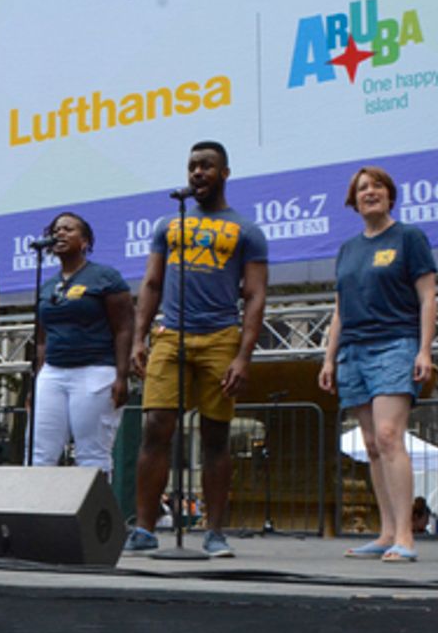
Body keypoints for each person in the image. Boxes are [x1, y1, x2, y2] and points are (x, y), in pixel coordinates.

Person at [125, 141, 268, 558]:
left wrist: (243, 355)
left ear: (224, 173)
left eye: (206, 166)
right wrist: (139, 337)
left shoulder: (246, 230)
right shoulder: (168, 226)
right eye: (192, 167)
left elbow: (256, 296)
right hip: (170, 335)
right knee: (155, 427)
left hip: (221, 336)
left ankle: (215, 532)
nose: (197, 173)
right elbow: (151, 284)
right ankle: (146, 528)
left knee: (216, 436)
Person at [318, 166, 437, 563]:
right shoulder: (348, 250)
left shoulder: (409, 238)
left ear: (390, 194)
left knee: (389, 435)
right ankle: (386, 532)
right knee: (370, 446)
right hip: (353, 350)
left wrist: (424, 350)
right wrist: (329, 358)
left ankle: (406, 535)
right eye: (362, 188)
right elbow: (339, 309)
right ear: (353, 201)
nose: (370, 192)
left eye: (378, 186)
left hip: (395, 345)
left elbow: (427, 297)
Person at [31, 211, 133, 476]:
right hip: (53, 373)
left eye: (68, 229)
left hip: (95, 370)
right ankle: (40, 515)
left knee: (91, 455)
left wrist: (122, 376)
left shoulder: (104, 277)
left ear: (85, 241)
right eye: (56, 230)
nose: (60, 233)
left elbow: (124, 328)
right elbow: (42, 340)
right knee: (40, 454)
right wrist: (38, 378)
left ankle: (96, 517)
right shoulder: (48, 284)